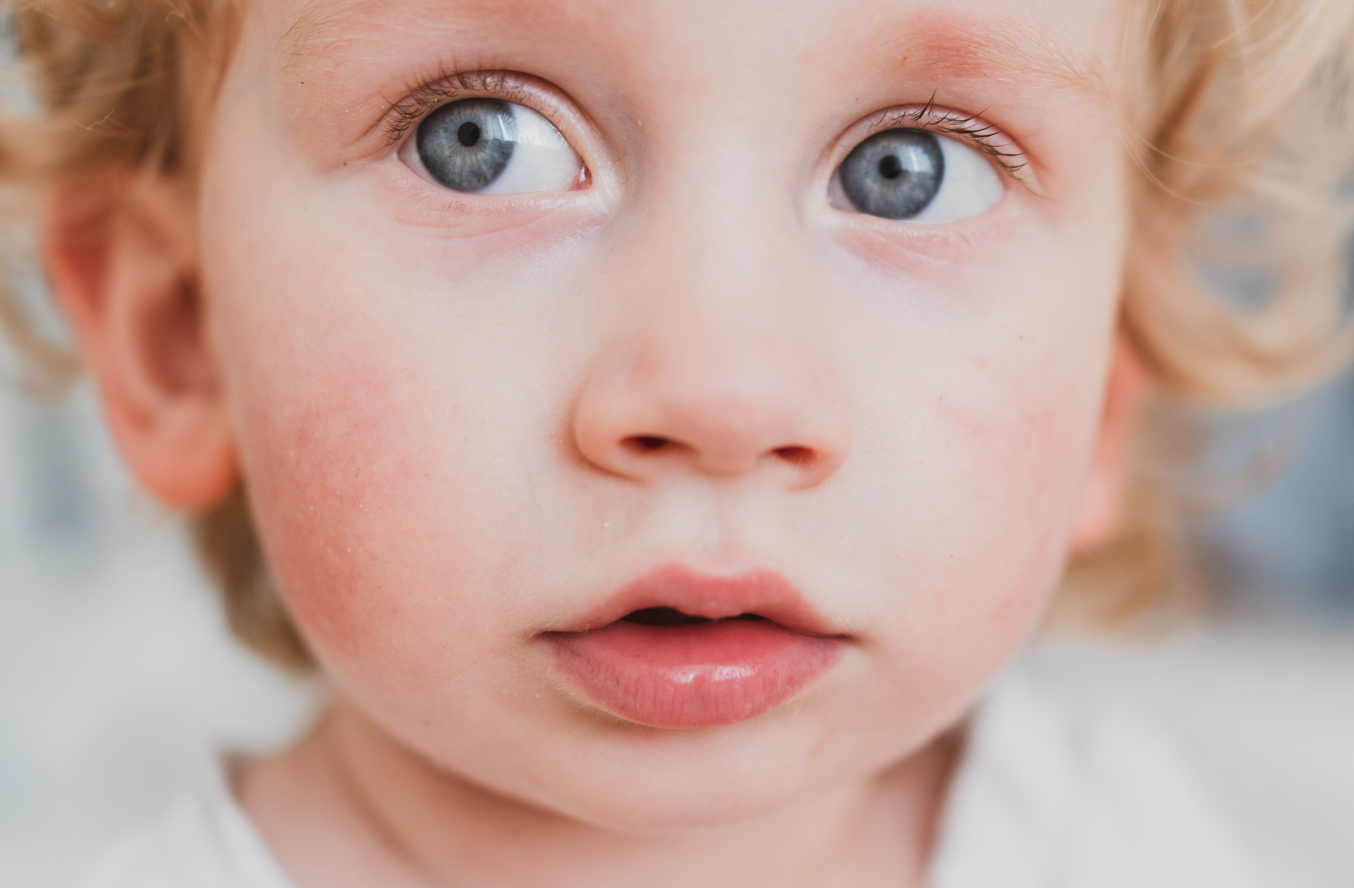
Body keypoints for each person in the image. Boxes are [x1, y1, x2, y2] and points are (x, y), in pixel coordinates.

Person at [2, 0, 1352, 885]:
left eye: (909, 169)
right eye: (482, 143)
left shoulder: (1116, 847)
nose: (721, 395)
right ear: (178, 338)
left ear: (1106, 380)